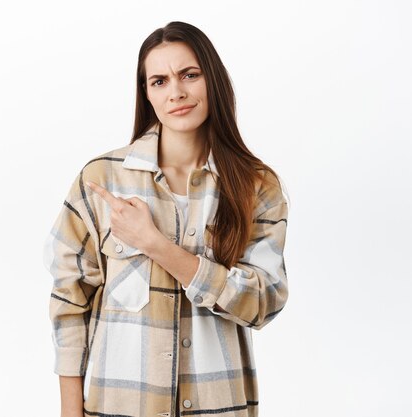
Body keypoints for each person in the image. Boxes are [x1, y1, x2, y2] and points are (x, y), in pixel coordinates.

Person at [42, 21, 290, 417]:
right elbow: (69, 303)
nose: (176, 92)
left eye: (189, 75)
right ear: (146, 94)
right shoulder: (102, 179)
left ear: (213, 80)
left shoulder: (256, 186)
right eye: (159, 81)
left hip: (220, 406)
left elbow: (262, 301)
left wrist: (156, 245)